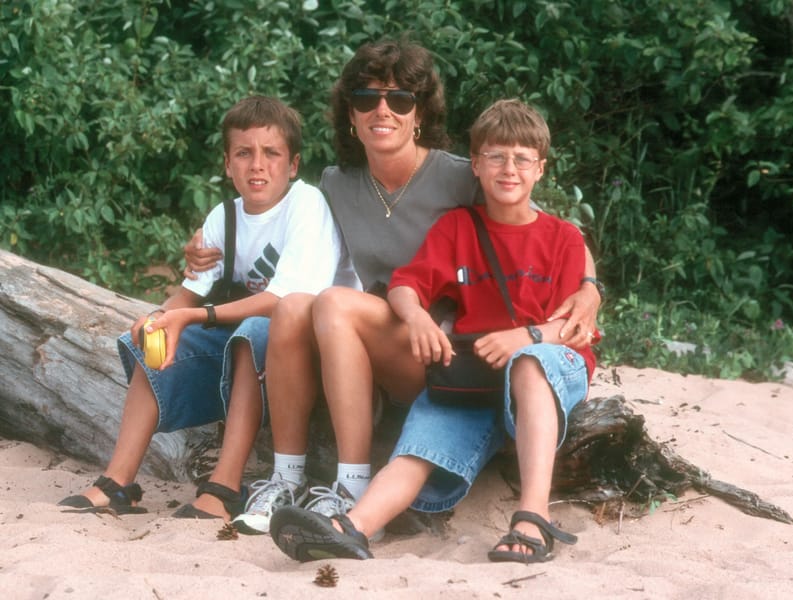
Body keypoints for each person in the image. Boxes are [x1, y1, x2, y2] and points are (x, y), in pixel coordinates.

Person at [183, 38, 602, 535]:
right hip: (380, 336)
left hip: (448, 348)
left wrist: (590, 286)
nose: (383, 110)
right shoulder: (337, 184)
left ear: (419, 113)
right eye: (367, 99)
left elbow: (535, 223)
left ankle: (353, 483)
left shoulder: (460, 176)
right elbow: (273, 218)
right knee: (295, 306)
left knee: (334, 304)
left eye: (399, 99)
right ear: (351, 115)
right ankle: (286, 479)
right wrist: (210, 240)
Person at [269, 98, 597, 564]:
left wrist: (528, 338)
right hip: (476, 373)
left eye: (522, 159)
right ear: (475, 167)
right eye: (496, 157)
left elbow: (576, 326)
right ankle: (353, 526)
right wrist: (418, 316)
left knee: (528, 365)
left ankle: (532, 517)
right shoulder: (458, 226)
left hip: (548, 362)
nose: (509, 169)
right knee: (420, 445)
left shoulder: (563, 237)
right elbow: (406, 284)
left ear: (540, 169)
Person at [58, 95, 355, 520]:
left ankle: (225, 485)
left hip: (304, 353)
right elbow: (189, 295)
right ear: (227, 163)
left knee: (250, 333)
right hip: (248, 342)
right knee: (152, 338)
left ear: (292, 165)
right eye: (244, 153)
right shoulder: (224, 217)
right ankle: (118, 482)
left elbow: (282, 301)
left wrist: (192, 317)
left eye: (271, 153)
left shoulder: (304, 206)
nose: (257, 165)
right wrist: (160, 317)